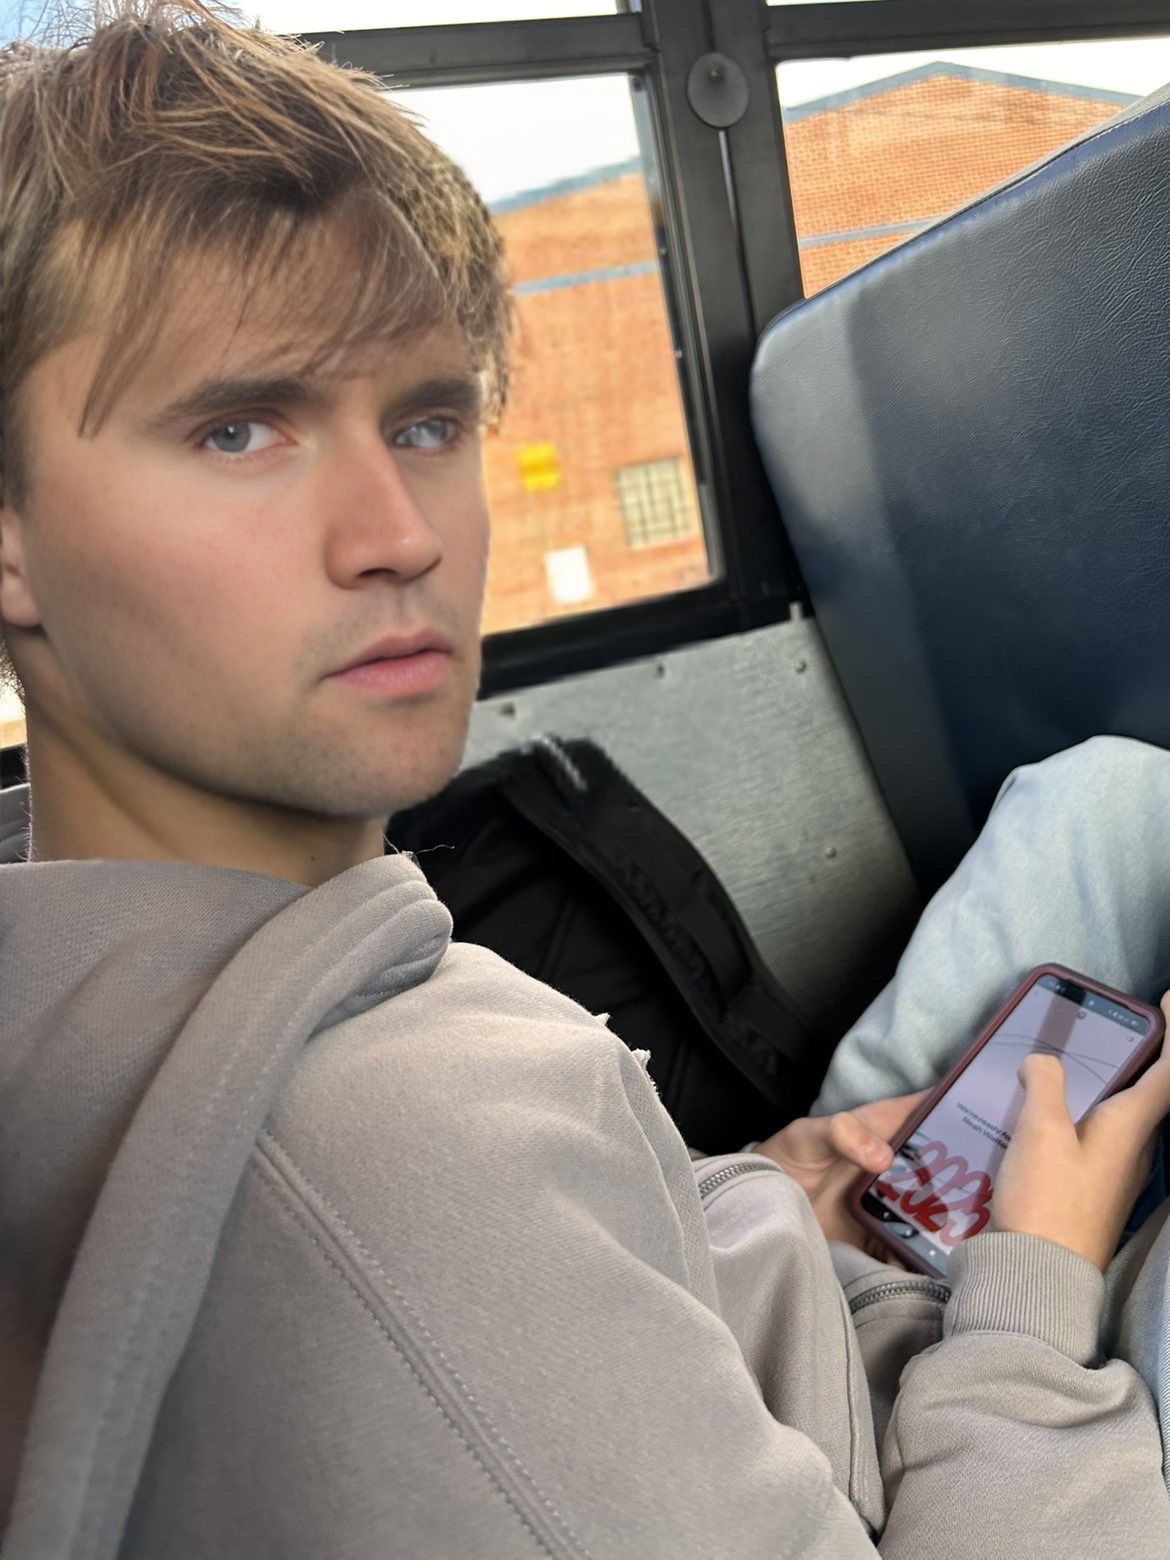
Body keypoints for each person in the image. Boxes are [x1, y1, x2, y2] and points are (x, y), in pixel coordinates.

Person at [2, 7, 1170, 1557]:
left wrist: (743, 1196)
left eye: (426, 421)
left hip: (784, 1276)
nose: (399, 534)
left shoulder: (108, 958)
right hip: (978, 1430)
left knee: (1110, 798)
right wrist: (1036, 1278)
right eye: (237, 430)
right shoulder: (396, 1167)